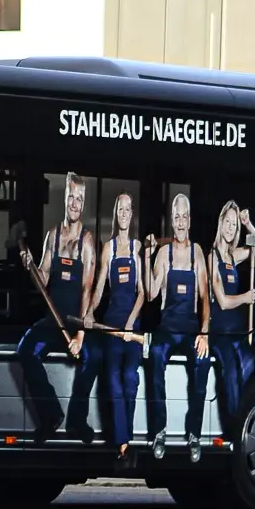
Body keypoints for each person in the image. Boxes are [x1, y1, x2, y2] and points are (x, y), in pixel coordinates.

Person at [11, 172, 94, 439]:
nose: (74, 203)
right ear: (65, 198)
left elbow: (87, 289)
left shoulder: (87, 241)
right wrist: (31, 265)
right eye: (71, 197)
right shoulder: (53, 236)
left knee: (93, 358)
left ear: (83, 203)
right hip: (52, 322)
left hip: (75, 323)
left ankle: (77, 421)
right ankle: (51, 415)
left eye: (79, 199)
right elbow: (43, 278)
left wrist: (80, 336)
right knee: (25, 350)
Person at [144, 192, 213, 462]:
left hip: (190, 327)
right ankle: (159, 431)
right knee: (155, 356)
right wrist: (147, 258)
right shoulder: (164, 254)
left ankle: (194, 433)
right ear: (171, 221)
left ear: (190, 220)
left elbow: (205, 297)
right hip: (167, 327)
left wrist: (204, 333)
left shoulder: (197, 253)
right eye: (177, 217)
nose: (181, 222)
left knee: (202, 362)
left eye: (185, 217)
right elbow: (151, 293)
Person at [86, 190, 145, 460]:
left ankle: (125, 438)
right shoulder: (108, 249)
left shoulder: (136, 249)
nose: (123, 213)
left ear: (131, 215)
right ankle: (123, 443)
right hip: (110, 325)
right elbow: (99, 286)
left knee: (130, 378)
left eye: (127, 209)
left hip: (132, 326)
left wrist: (131, 324)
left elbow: (142, 292)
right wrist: (90, 312)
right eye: (120, 209)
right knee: (112, 380)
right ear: (116, 214)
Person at [208, 200, 255, 432]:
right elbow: (223, 302)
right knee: (230, 370)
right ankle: (235, 428)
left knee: (249, 366)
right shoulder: (213, 257)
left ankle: (248, 422)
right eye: (227, 222)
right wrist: (246, 297)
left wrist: (248, 224)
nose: (230, 227)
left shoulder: (233, 256)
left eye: (234, 224)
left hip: (237, 330)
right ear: (221, 223)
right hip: (219, 331)